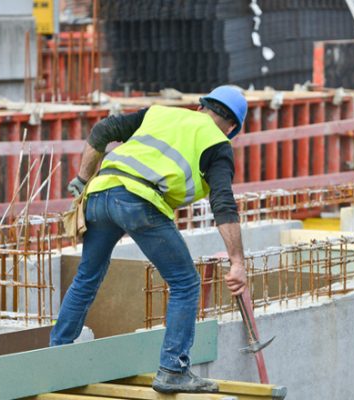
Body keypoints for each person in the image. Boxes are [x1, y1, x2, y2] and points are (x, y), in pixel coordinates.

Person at [50, 86, 249, 394]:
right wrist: (237, 262)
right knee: (185, 282)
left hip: (100, 194)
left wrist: (82, 177)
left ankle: (58, 353)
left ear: (201, 107)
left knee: (87, 275)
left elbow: (103, 130)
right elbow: (223, 204)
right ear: (232, 127)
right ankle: (173, 369)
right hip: (138, 202)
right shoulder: (218, 143)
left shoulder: (159, 114)